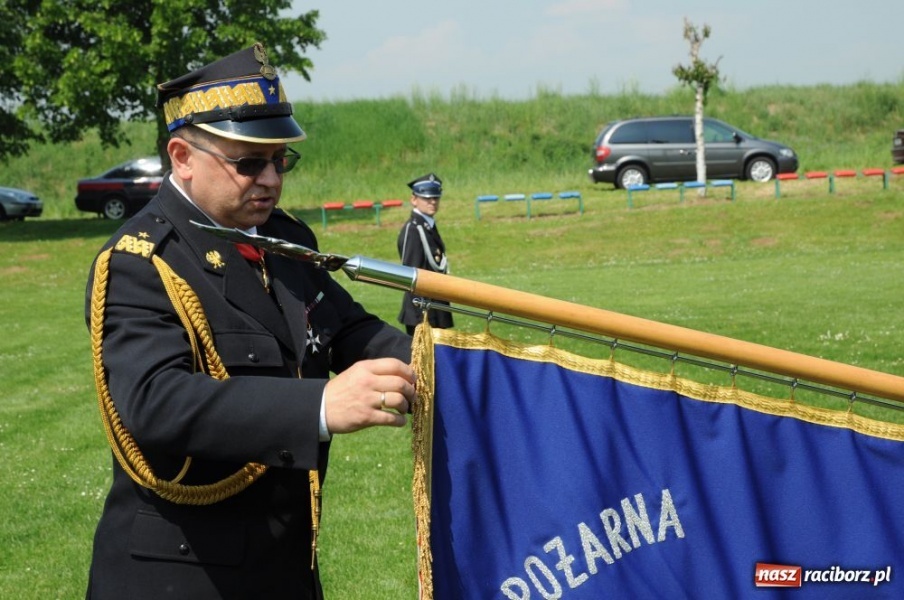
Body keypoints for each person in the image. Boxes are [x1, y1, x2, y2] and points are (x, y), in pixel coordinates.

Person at [83, 43, 415, 599]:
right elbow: (155, 402)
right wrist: (319, 406)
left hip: (283, 569)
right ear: (182, 157)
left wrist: (451, 365)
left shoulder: (281, 241)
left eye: (280, 159)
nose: (270, 179)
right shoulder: (141, 261)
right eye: (248, 162)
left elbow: (348, 330)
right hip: (183, 577)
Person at [396, 173, 454, 335]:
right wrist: (421, 317)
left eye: (435, 198)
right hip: (422, 311)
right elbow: (411, 274)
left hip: (435, 308)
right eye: (426, 198)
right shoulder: (414, 229)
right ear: (414, 200)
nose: (433, 202)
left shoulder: (427, 226)